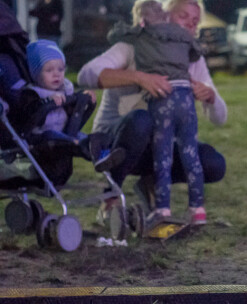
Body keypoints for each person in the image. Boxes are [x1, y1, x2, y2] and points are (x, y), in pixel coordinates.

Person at [77, 0, 227, 225]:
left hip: (160, 146)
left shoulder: (191, 57)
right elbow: (86, 75)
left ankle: (152, 182)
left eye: (194, 21)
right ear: (165, 17)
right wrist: (139, 77)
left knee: (214, 164)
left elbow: (220, 117)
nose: (190, 25)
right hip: (116, 140)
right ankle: (110, 200)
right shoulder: (134, 45)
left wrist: (211, 97)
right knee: (142, 120)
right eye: (183, 16)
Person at [107, 0, 204, 219]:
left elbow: (114, 36)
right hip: (185, 97)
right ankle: (198, 209)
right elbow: (196, 52)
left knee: (163, 156)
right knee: (190, 153)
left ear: (142, 20)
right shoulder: (183, 35)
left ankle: (163, 208)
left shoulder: (140, 34)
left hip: (162, 98)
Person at [25, 39, 124, 172]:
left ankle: (103, 153)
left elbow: (73, 104)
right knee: (69, 140)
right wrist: (47, 101)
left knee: (84, 136)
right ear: (36, 74)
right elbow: (30, 115)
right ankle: (91, 149)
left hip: (68, 131)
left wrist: (83, 96)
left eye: (60, 69)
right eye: (49, 70)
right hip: (43, 137)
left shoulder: (65, 89)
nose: (57, 74)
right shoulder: (33, 93)